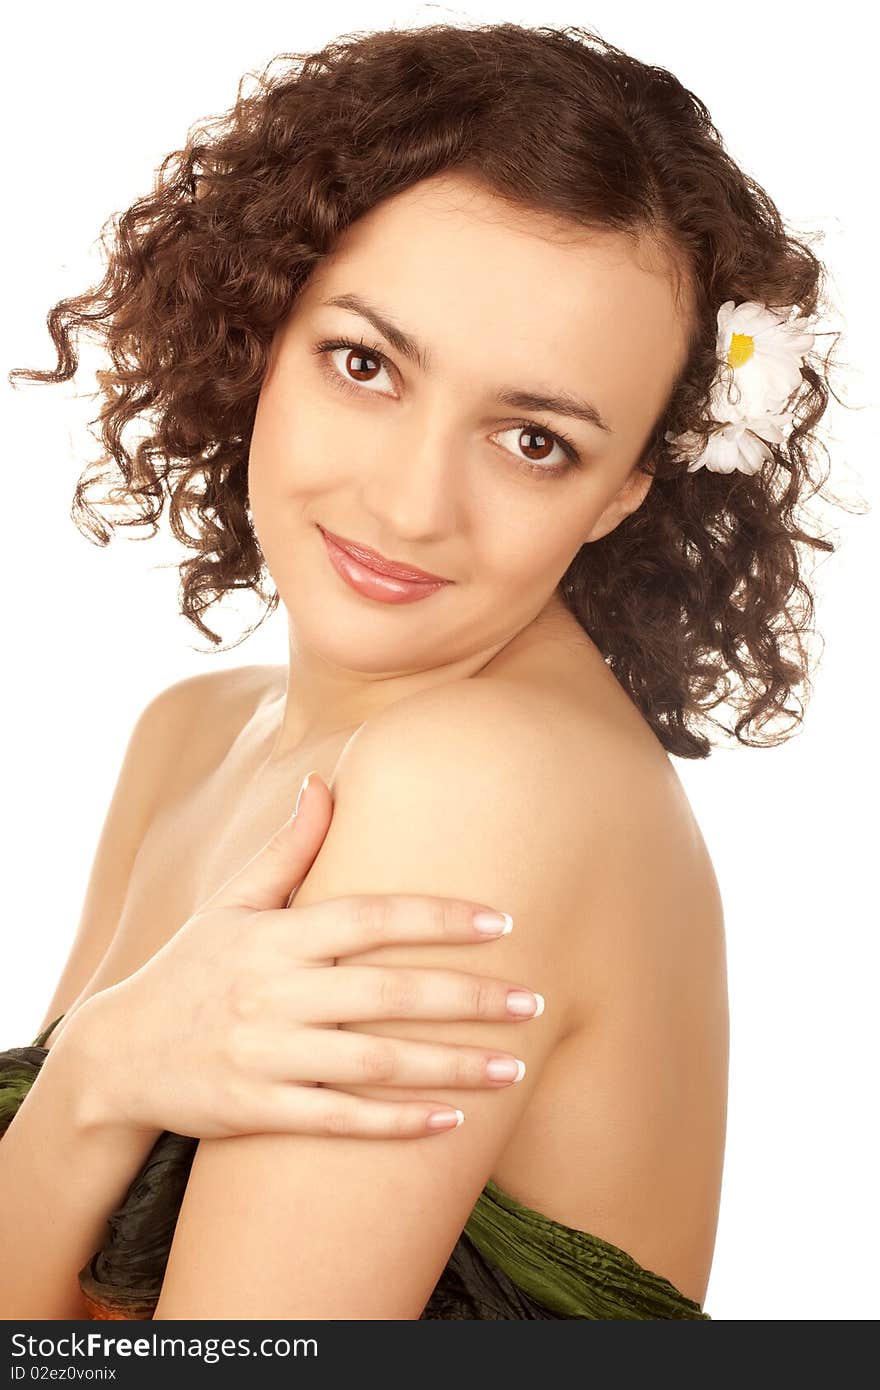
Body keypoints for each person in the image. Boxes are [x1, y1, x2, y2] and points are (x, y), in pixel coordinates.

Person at [1, 21, 845, 1320]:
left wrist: (93, 1086)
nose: (409, 502)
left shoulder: (474, 782)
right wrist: (98, 1073)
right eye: (366, 364)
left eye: (532, 439)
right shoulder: (192, 731)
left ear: (625, 492)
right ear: (262, 322)